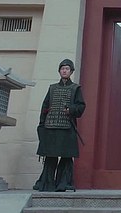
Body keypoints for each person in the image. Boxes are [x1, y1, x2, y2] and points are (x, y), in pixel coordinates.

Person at [34, 58, 86, 192]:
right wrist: (42, 125)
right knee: (50, 156)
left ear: (71, 71)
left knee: (66, 157)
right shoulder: (52, 88)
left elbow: (81, 106)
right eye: (62, 69)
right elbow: (45, 107)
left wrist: (71, 110)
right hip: (51, 127)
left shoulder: (76, 88)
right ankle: (47, 184)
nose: (64, 71)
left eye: (67, 69)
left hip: (67, 128)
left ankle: (63, 184)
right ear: (59, 71)